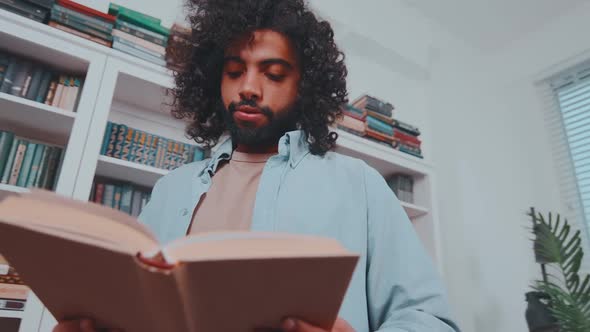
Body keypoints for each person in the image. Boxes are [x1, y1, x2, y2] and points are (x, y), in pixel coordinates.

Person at [54, 0, 460, 331]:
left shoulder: (360, 186)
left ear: (305, 86)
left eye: (274, 73)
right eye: (234, 72)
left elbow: (432, 322)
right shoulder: (170, 190)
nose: (248, 87)